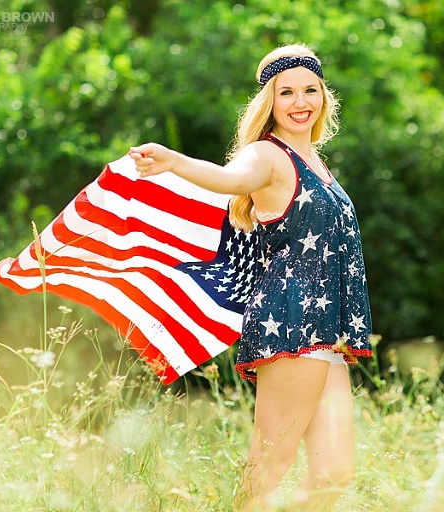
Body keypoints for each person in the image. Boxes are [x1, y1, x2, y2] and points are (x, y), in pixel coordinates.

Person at [129, 43, 372, 511]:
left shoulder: (316, 161)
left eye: (309, 90)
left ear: (324, 96)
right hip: (291, 325)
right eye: (287, 93)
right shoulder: (268, 155)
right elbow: (231, 178)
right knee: (270, 463)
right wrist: (174, 161)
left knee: (334, 475)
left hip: (326, 332)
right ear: (270, 103)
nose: (300, 102)